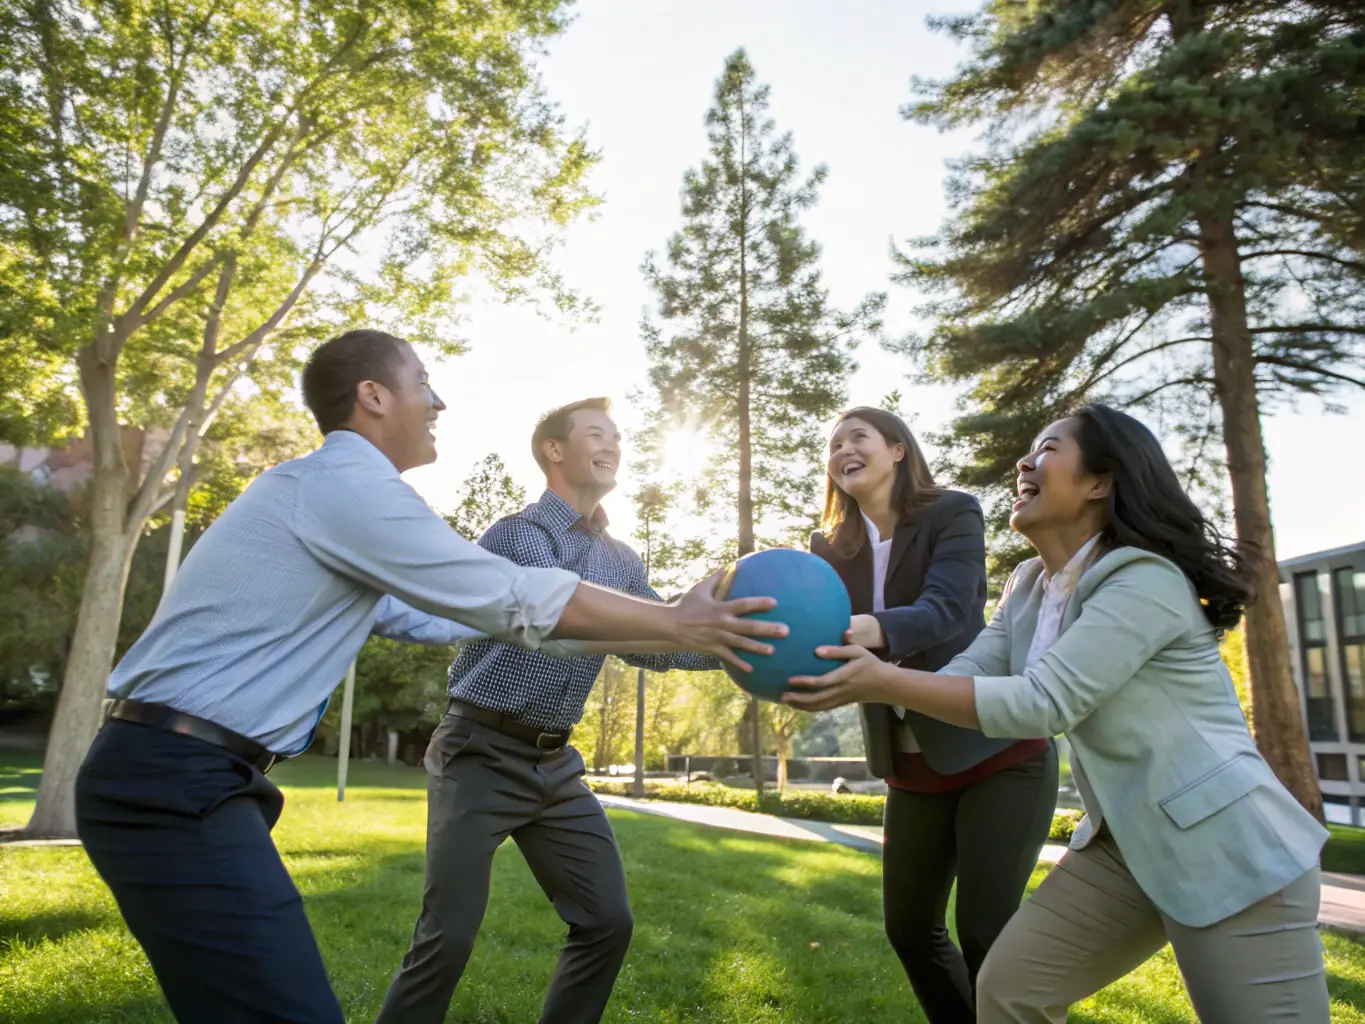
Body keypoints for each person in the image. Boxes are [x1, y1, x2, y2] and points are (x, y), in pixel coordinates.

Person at [74, 331, 787, 1024]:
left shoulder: (341, 496)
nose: (438, 400)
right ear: (373, 395)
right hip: (174, 776)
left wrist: (721, 641)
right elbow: (509, 594)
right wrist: (674, 621)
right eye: (423, 383)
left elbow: (439, 617)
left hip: (201, 778)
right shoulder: (347, 486)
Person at [784, 403, 1330, 1023]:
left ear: (1100, 482)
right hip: (1124, 849)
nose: (1024, 461)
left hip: (1229, 849)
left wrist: (881, 676)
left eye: (1047, 449)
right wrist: (872, 683)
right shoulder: (1029, 584)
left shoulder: (1143, 580)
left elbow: (1045, 701)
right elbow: (972, 671)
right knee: (1009, 990)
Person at [373, 397, 730, 1024]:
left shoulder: (621, 559)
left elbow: (660, 642)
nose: (613, 444)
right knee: (447, 937)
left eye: (618, 436)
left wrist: (737, 647)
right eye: (597, 433)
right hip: (479, 751)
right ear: (554, 451)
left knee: (606, 922)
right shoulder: (516, 536)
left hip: (555, 764)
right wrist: (677, 624)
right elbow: (562, 618)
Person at [809, 407, 1057, 1024]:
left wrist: (847, 631)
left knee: (985, 934)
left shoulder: (953, 513)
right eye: (834, 444)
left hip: (997, 753)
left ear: (897, 449)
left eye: (856, 437)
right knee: (911, 930)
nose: (843, 450)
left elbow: (945, 610)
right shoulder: (827, 548)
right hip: (911, 763)